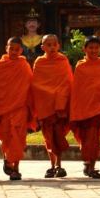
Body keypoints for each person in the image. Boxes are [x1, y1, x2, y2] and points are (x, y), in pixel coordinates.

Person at [69, 35, 100, 179]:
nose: (93, 50)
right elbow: (77, 90)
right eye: (91, 48)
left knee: (95, 137)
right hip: (83, 108)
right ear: (84, 49)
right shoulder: (80, 66)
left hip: (99, 107)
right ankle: (87, 163)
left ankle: (92, 165)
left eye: (96, 48)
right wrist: (76, 109)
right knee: (85, 137)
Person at [31, 33, 73, 178]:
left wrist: (59, 97)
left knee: (58, 135)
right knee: (48, 137)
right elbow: (36, 84)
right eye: (48, 45)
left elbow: (67, 82)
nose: (51, 47)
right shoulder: (39, 62)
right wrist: (48, 95)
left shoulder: (63, 60)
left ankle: (59, 165)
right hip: (45, 105)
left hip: (59, 105)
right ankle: (52, 165)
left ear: (58, 46)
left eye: (54, 44)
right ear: (42, 47)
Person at [0, 36, 35, 181]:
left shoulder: (24, 65)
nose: (13, 51)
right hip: (4, 108)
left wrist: (31, 107)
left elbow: (30, 86)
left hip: (20, 108)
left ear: (21, 50)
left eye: (16, 49)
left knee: (18, 138)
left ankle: (16, 169)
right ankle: (8, 157)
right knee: (7, 137)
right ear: (6, 48)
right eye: (11, 48)